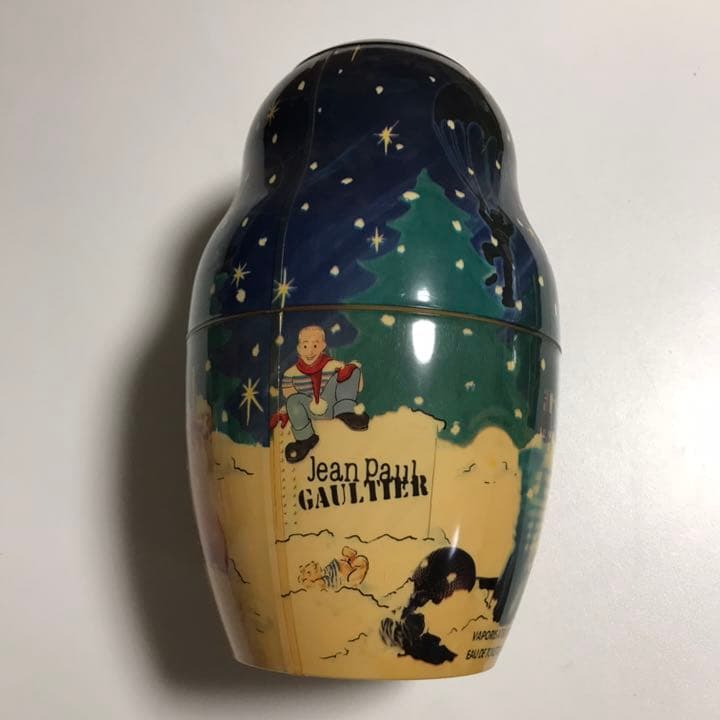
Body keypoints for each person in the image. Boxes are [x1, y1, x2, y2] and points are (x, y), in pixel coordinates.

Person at [278, 325, 369, 463]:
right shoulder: (291, 374)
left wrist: (349, 370)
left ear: (323, 346)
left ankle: (346, 410)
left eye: (315, 346)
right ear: (299, 348)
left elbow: (357, 385)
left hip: (333, 404)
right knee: (293, 400)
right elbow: (289, 395)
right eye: (305, 346)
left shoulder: (333, 365)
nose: (310, 351)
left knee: (351, 370)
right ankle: (305, 438)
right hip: (308, 408)